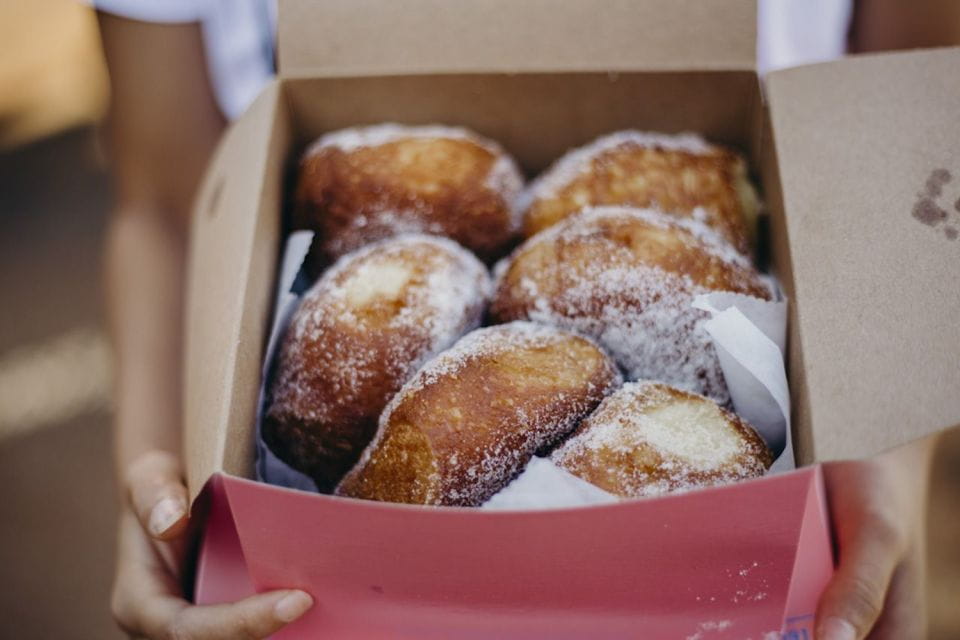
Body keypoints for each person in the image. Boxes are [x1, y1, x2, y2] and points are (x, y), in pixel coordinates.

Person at [96, 1, 960, 638]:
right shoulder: (496, 255)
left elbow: (908, 138)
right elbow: (168, 208)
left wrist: (884, 436)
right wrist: (172, 493)